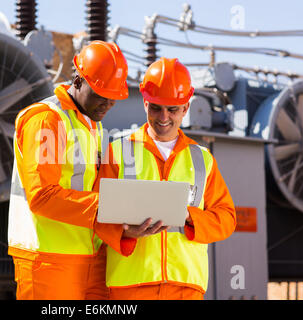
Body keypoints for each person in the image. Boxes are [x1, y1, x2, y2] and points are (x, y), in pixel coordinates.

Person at [94, 57, 236, 300]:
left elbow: (227, 219)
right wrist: (127, 234)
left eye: (173, 110)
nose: (163, 118)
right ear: (145, 103)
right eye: (156, 108)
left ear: (186, 108)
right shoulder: (117, 152)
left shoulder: (202, 159)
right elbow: (97, 216)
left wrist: (190, 216)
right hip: (130, 285)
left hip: (185, 286)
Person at [7, 40, 129, 300]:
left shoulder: (91, 124)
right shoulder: (47, 120)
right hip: (46, 260)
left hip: (84, 256)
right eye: (100, 95)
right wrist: (112, 207)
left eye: (113, 99)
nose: (106, 105)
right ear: (77, 79)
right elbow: (42, 196)